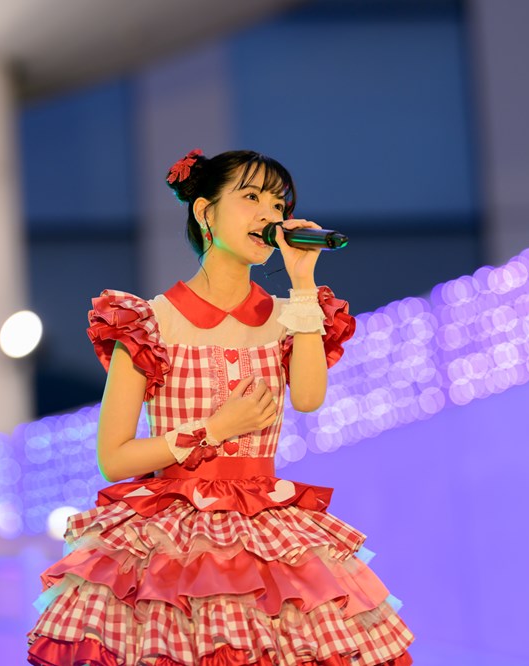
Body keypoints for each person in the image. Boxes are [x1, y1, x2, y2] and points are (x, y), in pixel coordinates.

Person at [26, 149, 414, 665]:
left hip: (268, 534)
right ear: (205, 212)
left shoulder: (292, 315)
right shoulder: (148, 322)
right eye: (251, 197)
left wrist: (302, 281)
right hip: (172, 538)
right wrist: (212, 429)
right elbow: (114, 459)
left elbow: (308, 398)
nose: (269, 215)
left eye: (278, 205)